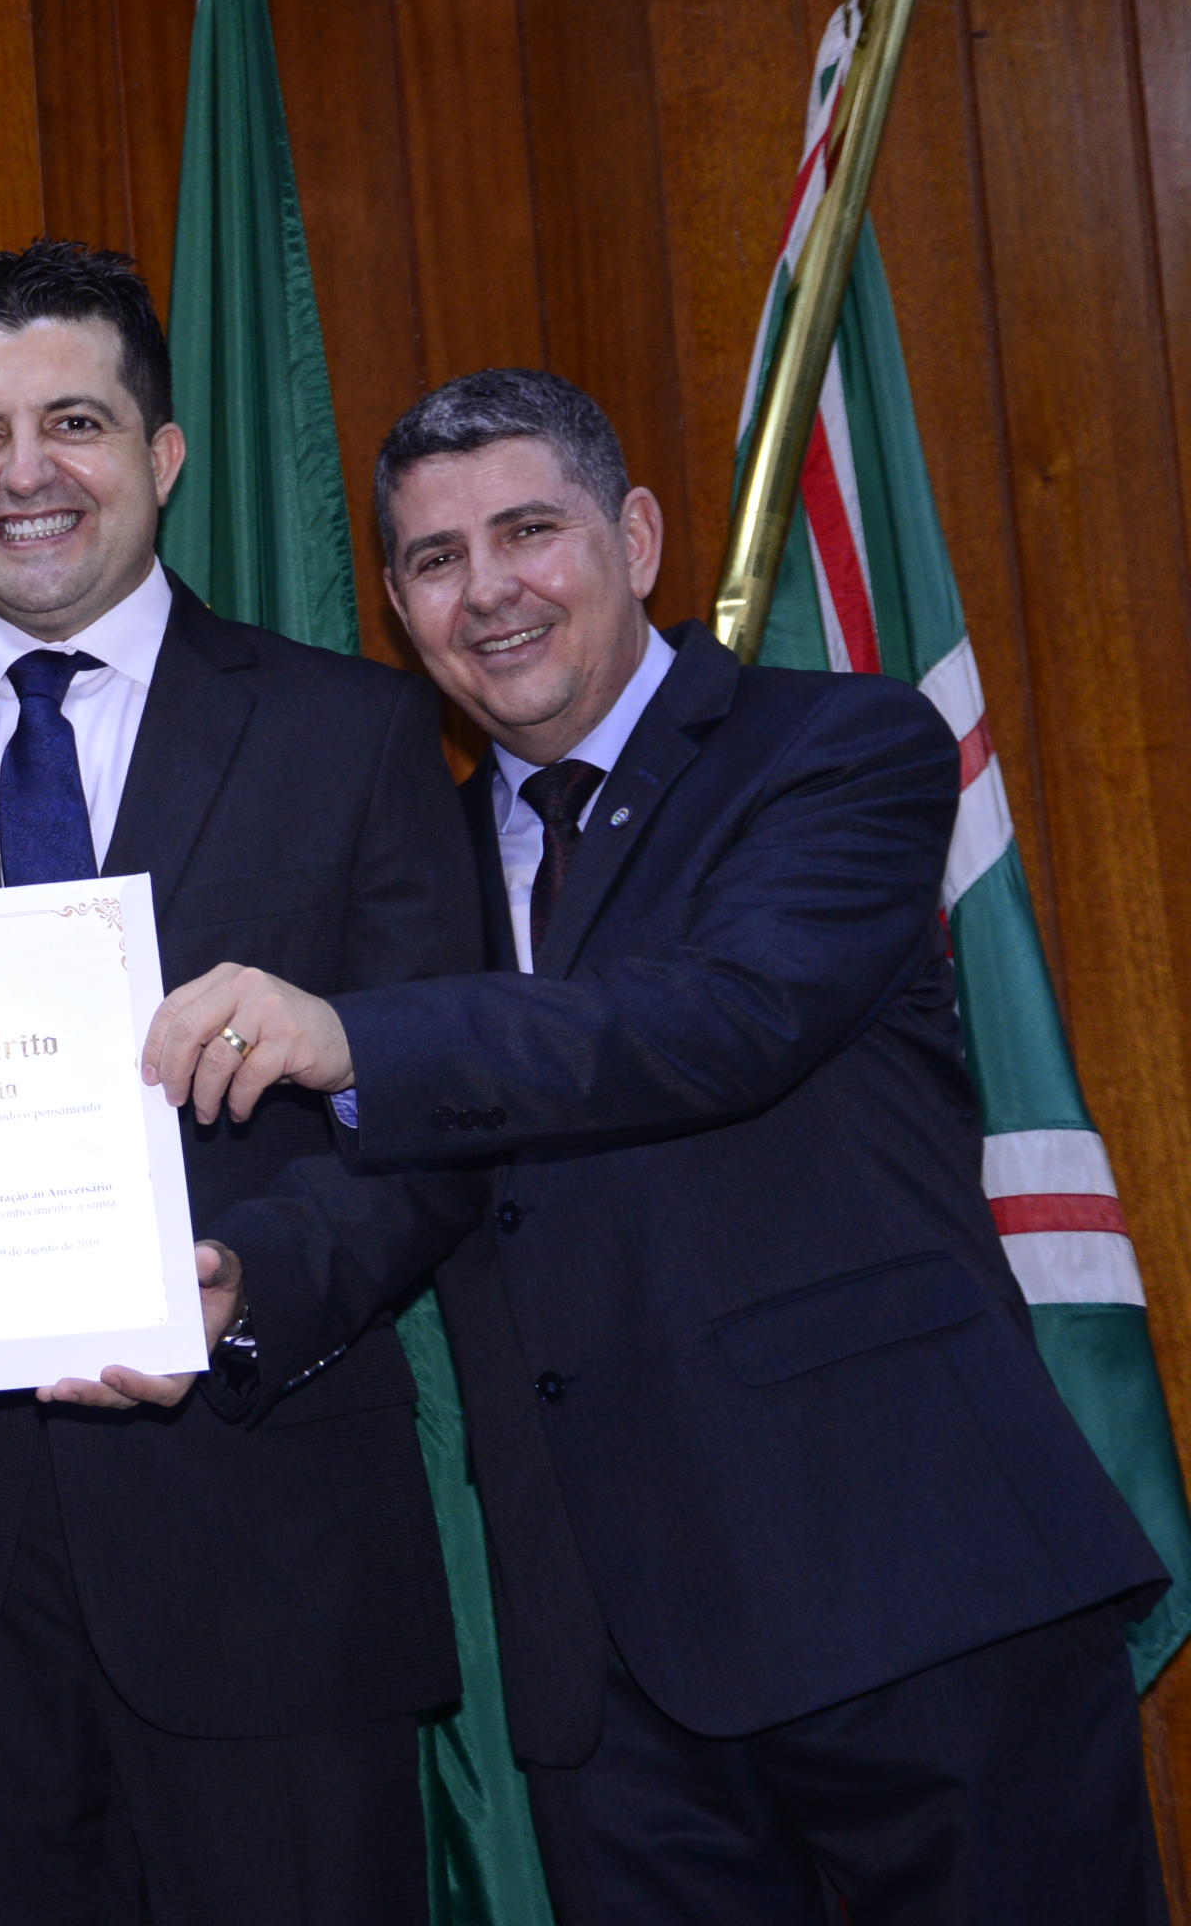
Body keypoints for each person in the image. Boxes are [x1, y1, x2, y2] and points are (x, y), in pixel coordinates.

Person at [162, 367, 1170, 1922]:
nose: (489, 590)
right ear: (399, 608)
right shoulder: (417, 857)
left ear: (633, 538)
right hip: (612, 1677)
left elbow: (721, 1019)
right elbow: (421, 1163)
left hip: (916, 1596)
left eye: (529, 532)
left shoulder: (838, 747)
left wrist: (362, 1038)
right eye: (437, 560)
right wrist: (248, 1279)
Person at [0, 239, 473, 1925]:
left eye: (73, 422)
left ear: (165, 452)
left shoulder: (353, 735)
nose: (26, 473)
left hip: (272, 1558)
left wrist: (251, 1285)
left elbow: (437, 1111)